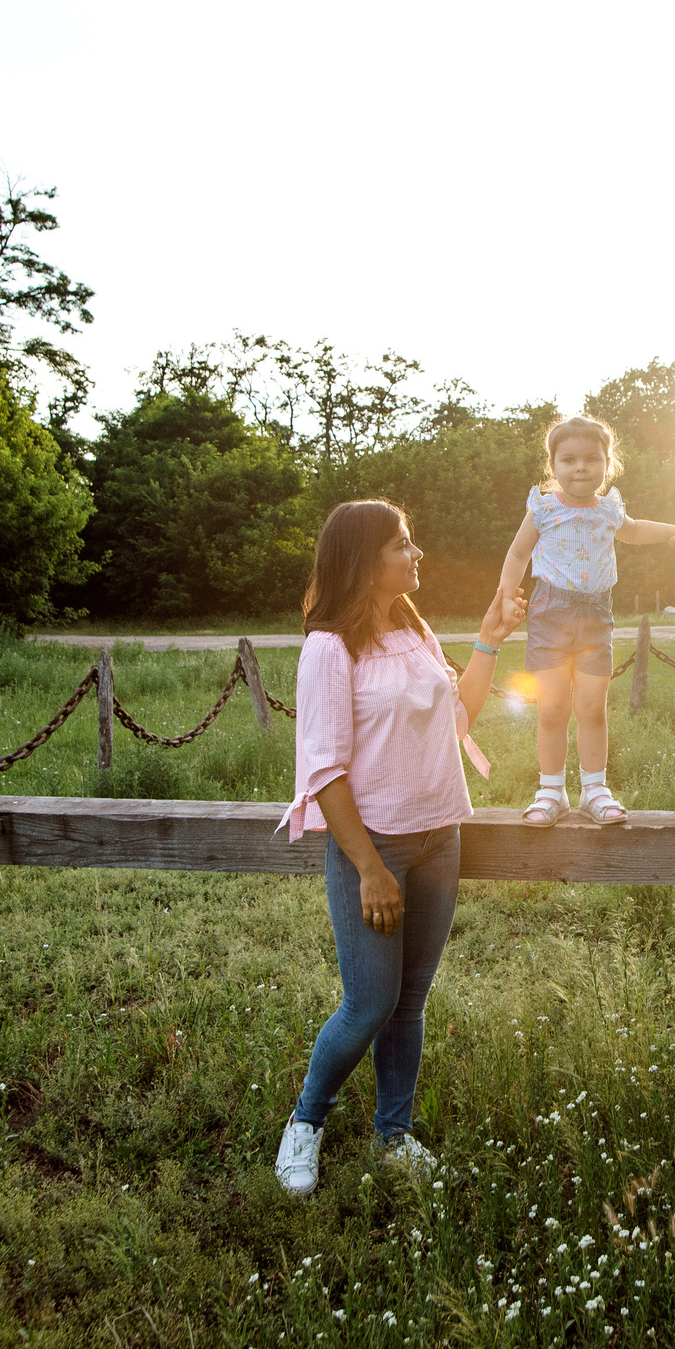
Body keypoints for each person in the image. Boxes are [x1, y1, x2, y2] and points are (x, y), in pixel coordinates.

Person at [274, 499, 525, 1197]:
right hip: (375, 846)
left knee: (409, 1002)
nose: (416, 555)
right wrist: (369, 866)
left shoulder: (413, 632)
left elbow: (459, 716)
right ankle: (305, 1122)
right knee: (368, 1003)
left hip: (440, 838)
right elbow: (323, 770)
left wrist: (489, 637)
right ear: (364, 560)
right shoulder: (329, 647)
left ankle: (393, 1134)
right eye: (402, 545)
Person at [496, 415, 675, 824]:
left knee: (591, 707)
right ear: (553, 466)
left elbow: (634, 531)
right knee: (551, 708)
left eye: (591, 459)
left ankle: (594, 790)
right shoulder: (543, 508)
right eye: (568, 460)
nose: (580, 467)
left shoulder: (609, 510)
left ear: (606, 463)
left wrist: (673, 531)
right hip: (549, 614)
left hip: (596, 617)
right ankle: (551, 792)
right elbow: (517, 555)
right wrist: (506, 596)